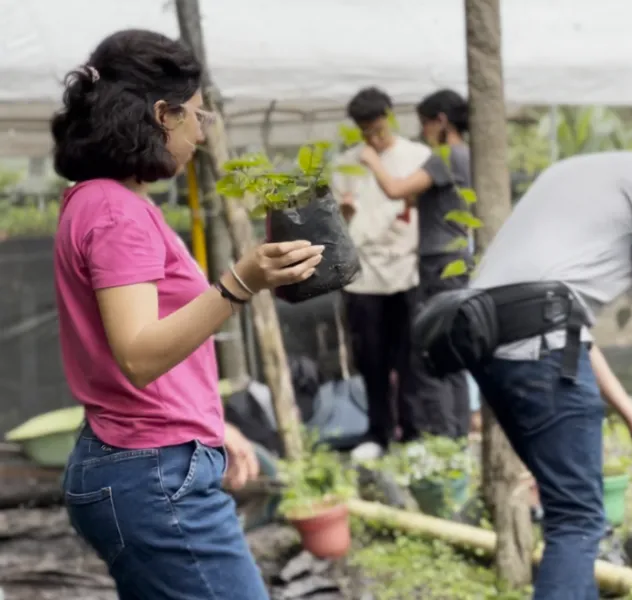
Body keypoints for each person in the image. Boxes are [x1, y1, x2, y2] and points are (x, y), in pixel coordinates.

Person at [53, 29, 324, 600]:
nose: (201, 132)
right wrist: (240, 282)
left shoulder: (94, 198)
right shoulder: (118, 213)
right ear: (162, 114)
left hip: (135, 456)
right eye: (197, 115)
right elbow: (139, 354)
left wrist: (211, 427)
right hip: (152, 475)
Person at [461, 118, 632, 600]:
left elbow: (552, 310)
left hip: (485, 341)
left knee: (572, 515)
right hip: (538, 342)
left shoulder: (573, 171)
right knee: (578, 520)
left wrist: (630, 410)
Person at [359, 89, 472, 439]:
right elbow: (411, 194)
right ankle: (457, 435)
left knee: (432, 354)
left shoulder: (446, 156)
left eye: (425, 124)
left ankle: (443, 436)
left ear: (440, 121)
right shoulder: (468, 155)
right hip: (455, 260)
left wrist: (371, 160)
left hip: (439, 263)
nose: (422, 132)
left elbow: (395, 189)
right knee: (451, 354)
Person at [332, 87, 431, 458]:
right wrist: (343, 211)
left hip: (407, 269)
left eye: (378, 129)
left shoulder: (417, 156)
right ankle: (378, 431)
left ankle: (413, 431)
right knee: (372, 358)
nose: (373, 138)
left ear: (389, 117)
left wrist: (375, 161)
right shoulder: (346, 163)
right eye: (366, 131)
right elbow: (340, 224)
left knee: (409, 357)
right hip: (363, 275)